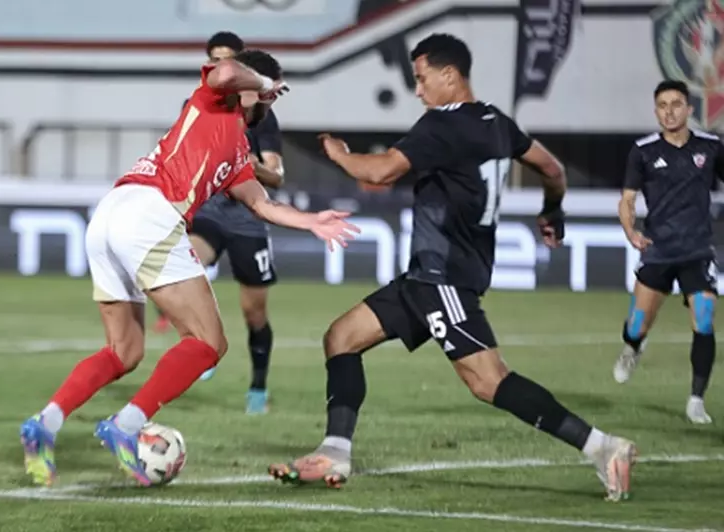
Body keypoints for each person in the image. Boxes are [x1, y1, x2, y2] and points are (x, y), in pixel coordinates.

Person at [267, 33, 637, 502]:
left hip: (445, 276)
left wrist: (339, 153)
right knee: (341, 337)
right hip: (427, 277)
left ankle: (601, 446)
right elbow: (552, 169)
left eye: (422, 79)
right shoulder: (497, 122)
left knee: (488, 380)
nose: (418, 90)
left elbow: (380, 171)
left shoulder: (443, 124)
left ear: (449, 75)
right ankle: (335, 451)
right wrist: (552, 211)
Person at [19, 49, 359, 487]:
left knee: (124, 352)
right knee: (208, 341)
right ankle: (126, 426)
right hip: (150, 215)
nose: (273, 102)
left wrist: (311, 221)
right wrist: (262, 83)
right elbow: (227, 70)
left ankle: (44, 423)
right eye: (272, 96)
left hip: (110, 215)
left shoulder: (237, 152)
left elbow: (262, 205)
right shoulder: (214, 100)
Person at [153, 31, 286, 416]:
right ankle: (202, 343)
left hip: (248, 218)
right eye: (214, 59)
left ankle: (258, 388)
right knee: (184, 263)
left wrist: (249, 165)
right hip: (209, 211)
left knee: (254, 313)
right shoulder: (198, 104)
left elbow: (277, 175)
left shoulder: (263, 114)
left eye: (227, 59)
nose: (219, 66)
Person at [613, 79, 721, 424]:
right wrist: (631, 231)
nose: (669, 112)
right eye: (662, 105)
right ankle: (633, 346)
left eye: (676, 104)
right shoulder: (643, 151)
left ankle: (696, 400)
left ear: (689, 109)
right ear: (656, 111)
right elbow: (627, 199)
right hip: (658, 250)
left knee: (704, 318)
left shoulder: (711, 147)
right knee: (637, 324)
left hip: (697, 250)